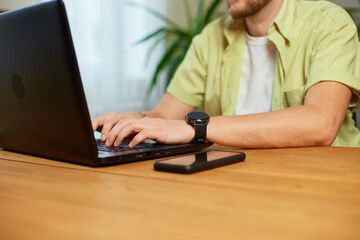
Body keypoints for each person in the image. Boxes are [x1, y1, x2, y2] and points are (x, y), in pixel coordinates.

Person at [92, 0, 360, 148]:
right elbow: (164, 117)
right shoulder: (210, 38)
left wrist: (195, 129)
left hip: (318, 186)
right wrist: (135, 120)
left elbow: (320, 124)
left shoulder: (329, 23)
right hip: (237, 182)